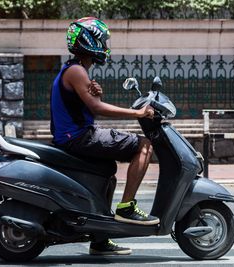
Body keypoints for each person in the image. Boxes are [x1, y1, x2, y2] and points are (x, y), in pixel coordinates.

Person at [50, 17, 159, 256]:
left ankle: (100, 239)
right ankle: (127, 207)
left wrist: (95, 94)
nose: (105, 46)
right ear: (90, 41)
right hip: (78, 137)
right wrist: (138, 112)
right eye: (102, 40)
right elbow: (97, 109)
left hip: (72, 136)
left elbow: (87, 106)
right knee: (144, 145)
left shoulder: (74, 70)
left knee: (107, 173)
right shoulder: (77, 71)